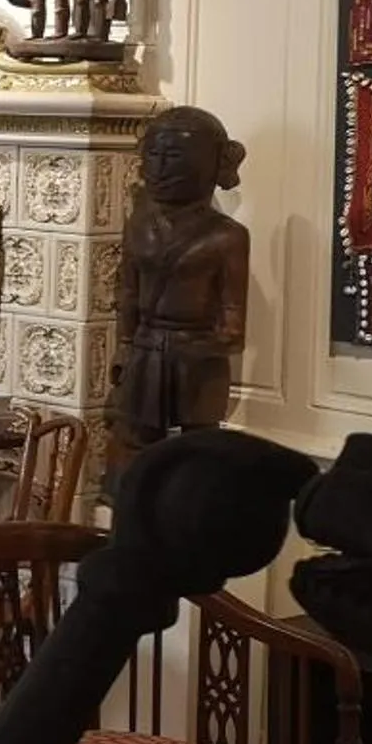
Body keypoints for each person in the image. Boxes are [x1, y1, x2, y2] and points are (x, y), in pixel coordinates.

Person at [105, 106, 247, 494]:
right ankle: (126, 526)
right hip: (146, 351)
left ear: (214, 164)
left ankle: (191, 527)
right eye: (154, 156)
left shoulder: (227, 237)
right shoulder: (139, 223)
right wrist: (125, 345)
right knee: (132, 444)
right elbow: (129, 290)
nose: (161, 169)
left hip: (195, 359)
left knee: (198, 454)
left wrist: (210, 342)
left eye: (176, 158)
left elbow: (233, 323)